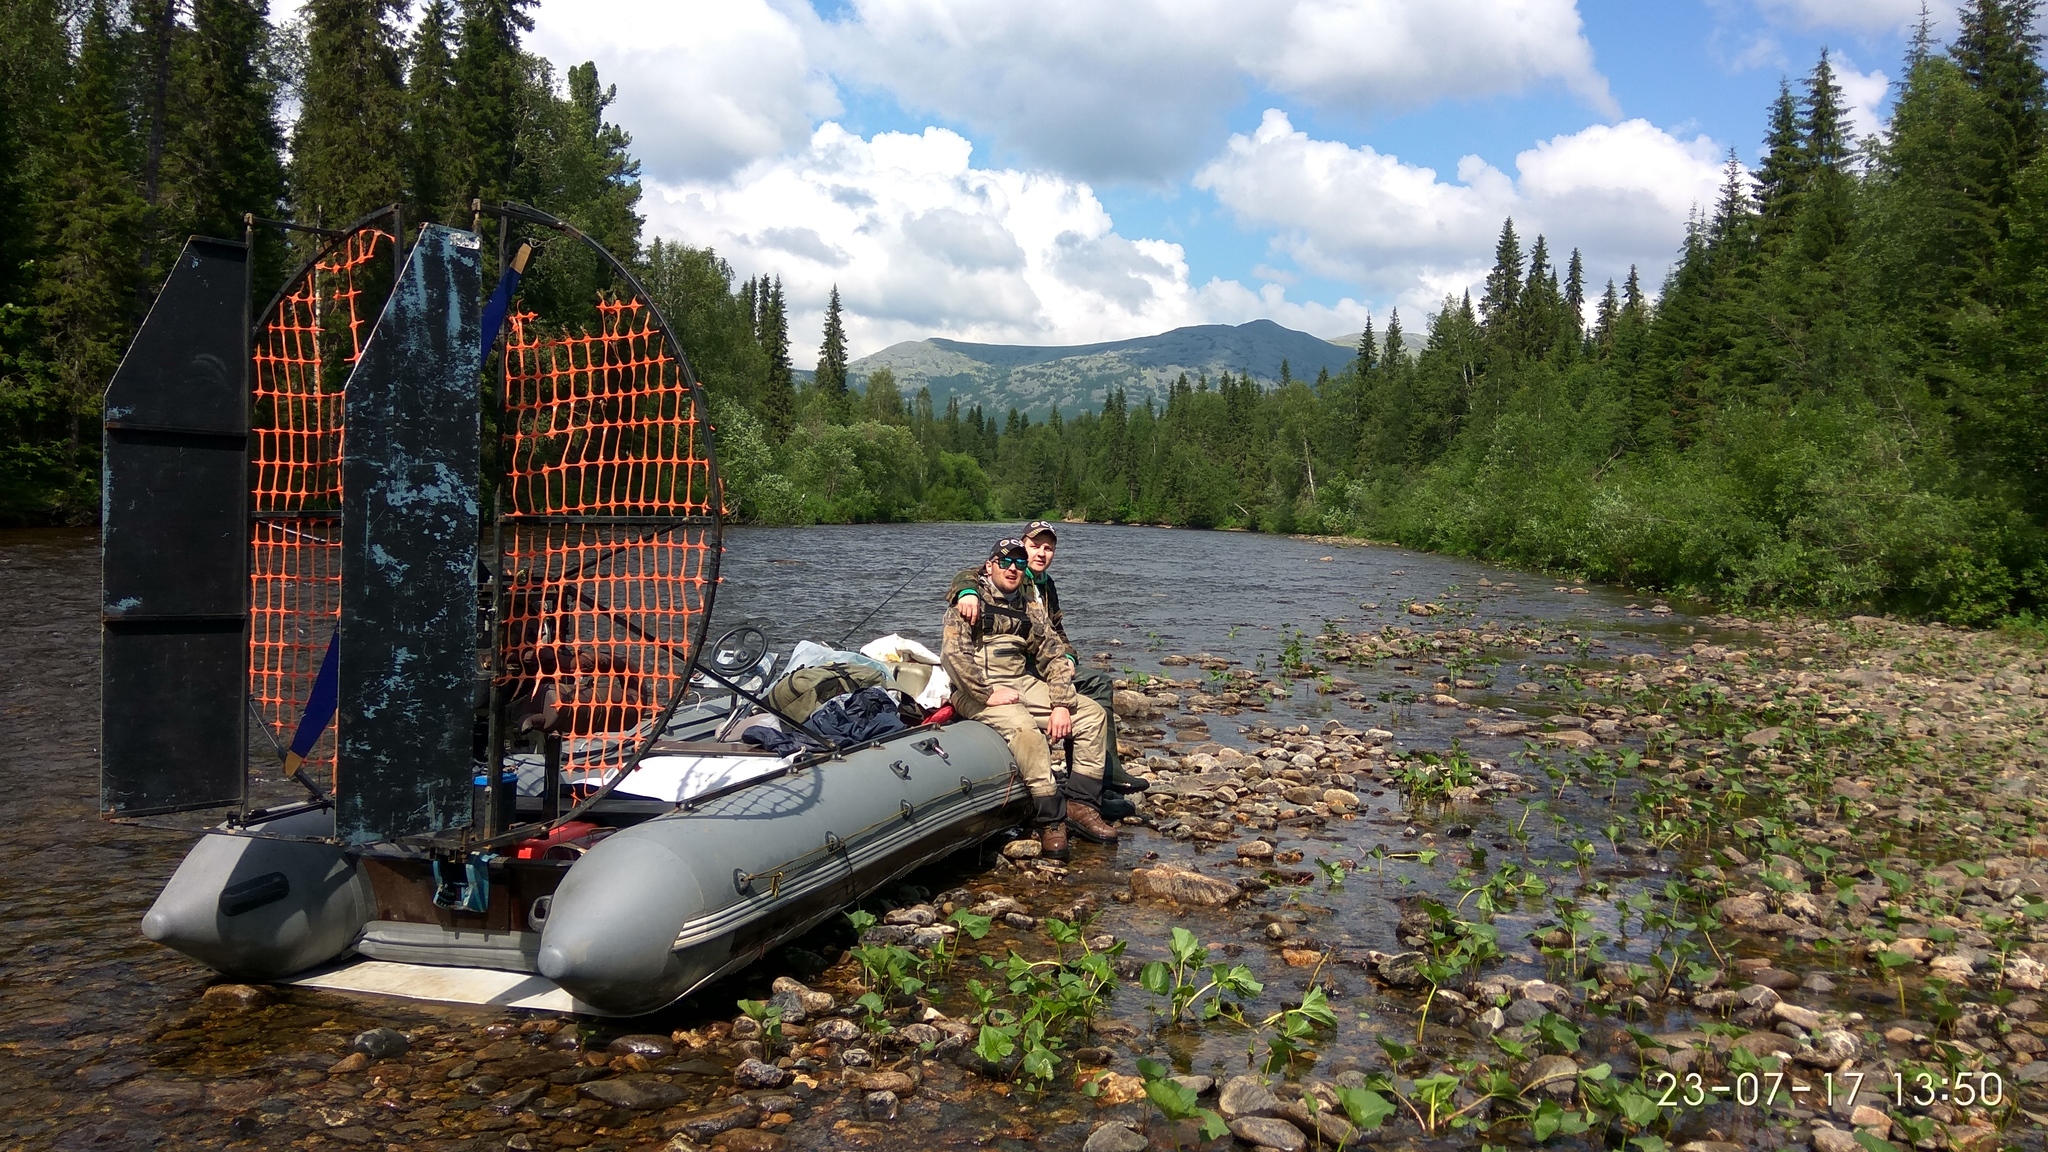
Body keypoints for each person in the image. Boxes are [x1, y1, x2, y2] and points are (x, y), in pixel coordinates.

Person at [948, 521, 1148, 813]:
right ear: (1022, 546)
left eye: (1048, 548)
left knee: (1097, 686)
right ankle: (1069, 794)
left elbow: (1055, 632)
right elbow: (970, 575)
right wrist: (965, 591)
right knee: (1056, 706)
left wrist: (1068, 657)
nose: (1041, 553)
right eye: (1034, 546)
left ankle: (1098, 780)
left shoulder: (1046, 585)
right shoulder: (1011, 575)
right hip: (1020, 667)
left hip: (1041, 662)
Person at [941, 538, 1119, 858]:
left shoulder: (1029, 604)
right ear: (991, 564)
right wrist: (987, 694)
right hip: (976, 688)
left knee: (1092, 714)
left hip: (1020, 680)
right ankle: (1050, 819)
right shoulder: (969, 599)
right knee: (1026, 733)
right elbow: (953, 656)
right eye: (1006, 561)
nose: (1013, 568)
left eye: (1020, 564)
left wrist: (1062, 703)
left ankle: (1081, 805)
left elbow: (1053, 653)